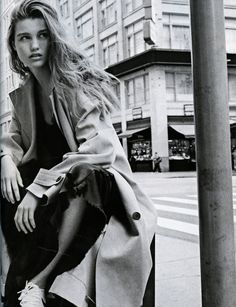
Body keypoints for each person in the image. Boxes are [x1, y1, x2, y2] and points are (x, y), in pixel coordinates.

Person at [0, 1, 157, 306]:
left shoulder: (74, 84)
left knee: (82, 175)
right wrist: (5, 159)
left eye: (42, 35)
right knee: (5, 181)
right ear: (14, 45)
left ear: (54, 38)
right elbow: (13, 138)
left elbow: (99, 150)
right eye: (24, 37)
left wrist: (37, 190)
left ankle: (38, 282)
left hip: (99, 192)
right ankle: (13, 279)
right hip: (57, 193)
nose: (34, 45)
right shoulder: (24, 95)